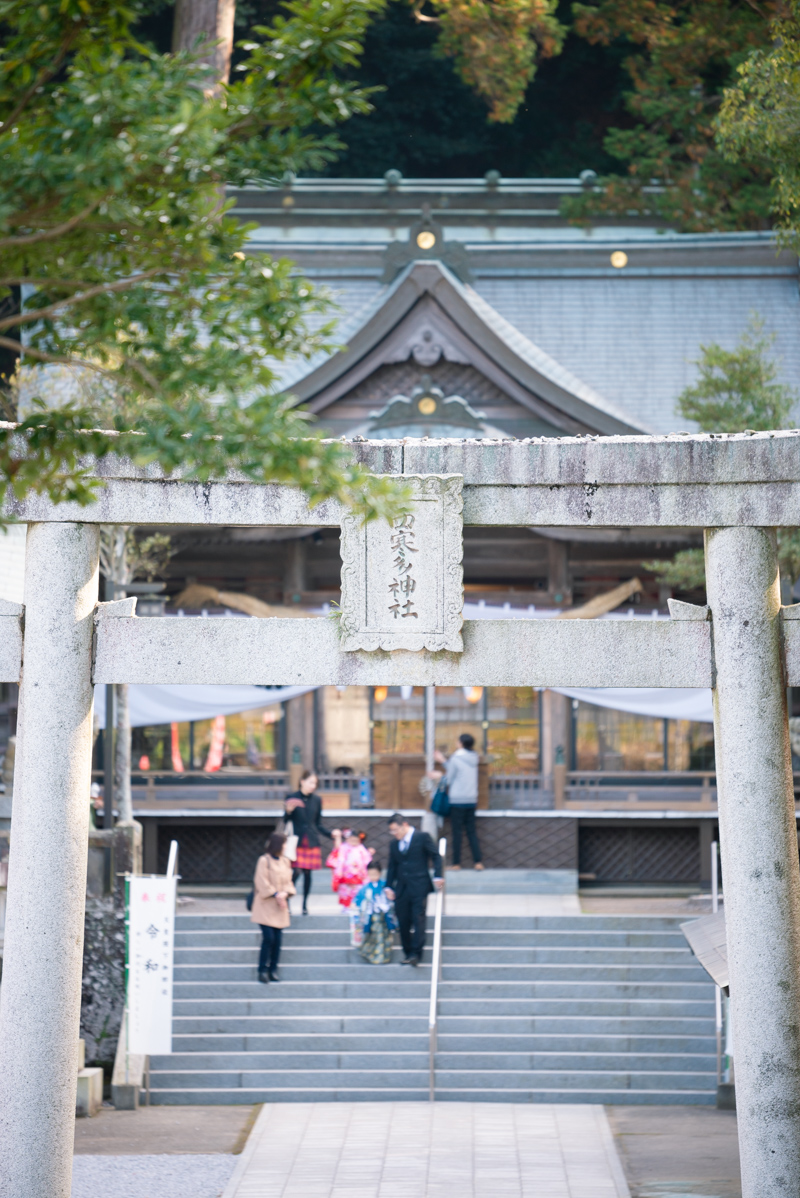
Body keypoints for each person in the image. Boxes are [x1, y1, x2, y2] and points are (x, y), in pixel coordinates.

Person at [385, 813, 443, 967]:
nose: (394, 834)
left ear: (404, 825)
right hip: (401, 888)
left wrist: (438, 876)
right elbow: (392, 866)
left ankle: (416, 954)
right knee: (403, 921)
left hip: (419, 885)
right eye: (391, 831)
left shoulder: (422, 837)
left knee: (418, 918)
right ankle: (407, 952)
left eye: (396, 830)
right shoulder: (393, 844)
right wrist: (388, 886)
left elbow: (436, 856)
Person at [283, 769, 334, 915]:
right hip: (296, 841)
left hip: (311, 840)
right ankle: (287, 900)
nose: (313, 785)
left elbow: (318, 823)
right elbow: (285, 821)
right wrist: (288, 811)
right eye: (311, 782)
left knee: (307, 874)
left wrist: (330, 834)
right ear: (302, 781)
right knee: (296, 872)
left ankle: (305, 904)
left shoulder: (317, 800)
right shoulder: (291, 797)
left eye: (315, 783)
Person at [251, 832, 295, 983]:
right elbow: (261, 881)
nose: (285, 846)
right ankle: (262, 970)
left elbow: (289, 882)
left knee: (278, 940)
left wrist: (285, 893)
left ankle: (273, 969)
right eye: (284, 843)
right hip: (265, 905)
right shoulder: (264, 860)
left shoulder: (285, 862)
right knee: (268, 938)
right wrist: (275, 893)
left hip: (280, 906)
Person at [443, 733, 484, 871]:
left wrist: (439, 774)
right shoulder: (474, 758)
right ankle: (478, 862)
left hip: (457, 800)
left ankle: (456, 864)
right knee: (471, 831)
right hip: (471, 799)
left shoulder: (456, 758)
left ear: (461, 743)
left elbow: (448, 779)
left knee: (457, 833)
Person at [326, 828, 374, 926]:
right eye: (351, 839)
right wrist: (339, 873)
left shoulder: (361, 848)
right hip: (346, 874)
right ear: (347, 839)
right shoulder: (344, 848)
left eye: (356, 840)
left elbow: (366, 861)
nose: (353, 842)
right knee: (346, 891)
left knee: (358, 891)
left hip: (359, 874)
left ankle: (357, 906)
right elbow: (340, 860)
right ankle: (346, 906)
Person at [353, 860, 397, 965]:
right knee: (374, 936)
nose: (373, 876)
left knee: (384, 937)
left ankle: (382, 957)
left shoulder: (385, 885)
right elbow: (358, 901)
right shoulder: (365, 888)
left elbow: (392, 898)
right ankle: (374, 955)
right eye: (371, 874)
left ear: (380, 873)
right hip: (371, 918)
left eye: (375, 874)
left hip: (384, 917)